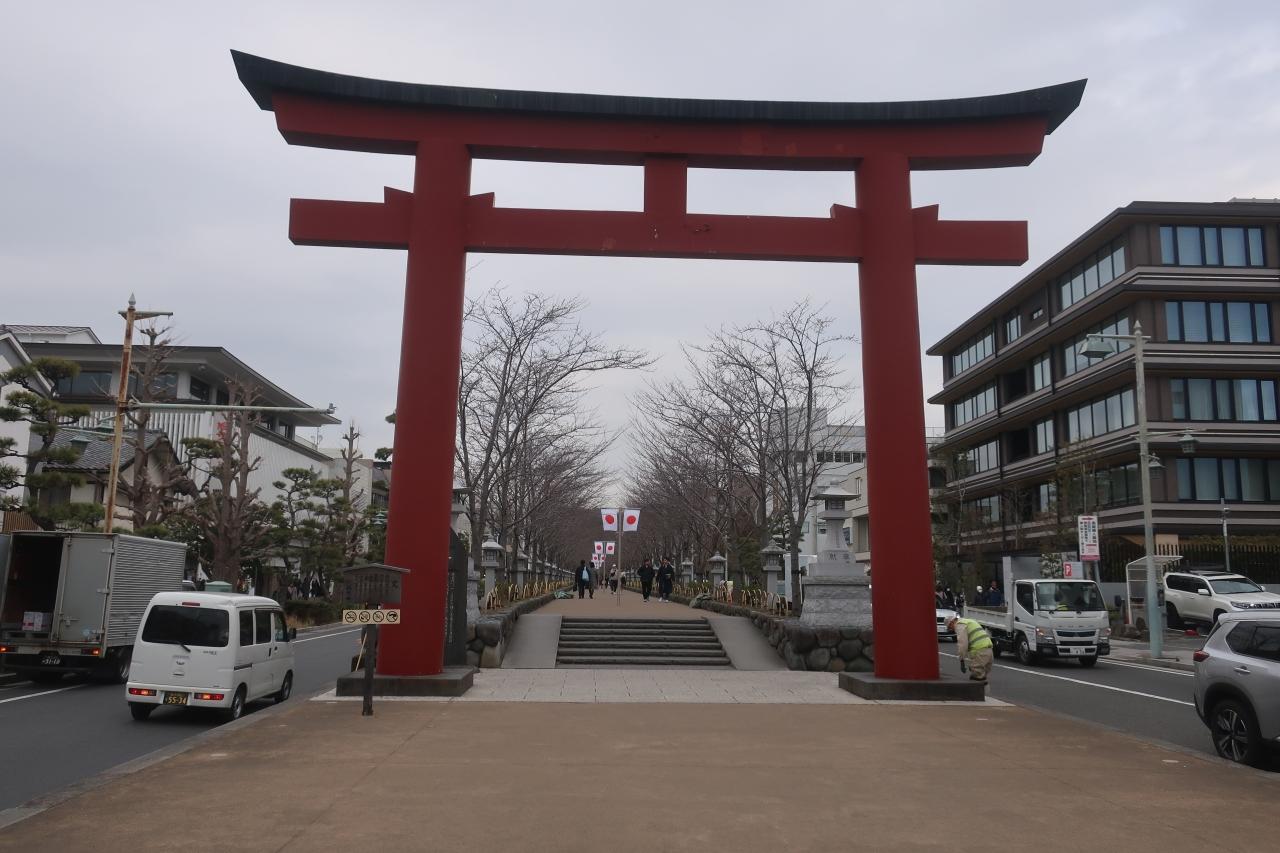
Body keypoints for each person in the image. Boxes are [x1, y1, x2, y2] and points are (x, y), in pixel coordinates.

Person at [947, 615, 993, 684]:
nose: (952, 630)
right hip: (989, 650)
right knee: (982, 677)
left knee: (976, 677)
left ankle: (977, 691)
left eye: (950, 627)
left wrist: (962, 660)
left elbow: (962, 644)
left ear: (951, 622)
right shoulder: (969, 621)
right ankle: (984, 690)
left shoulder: (960, 625)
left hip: (979, 651)